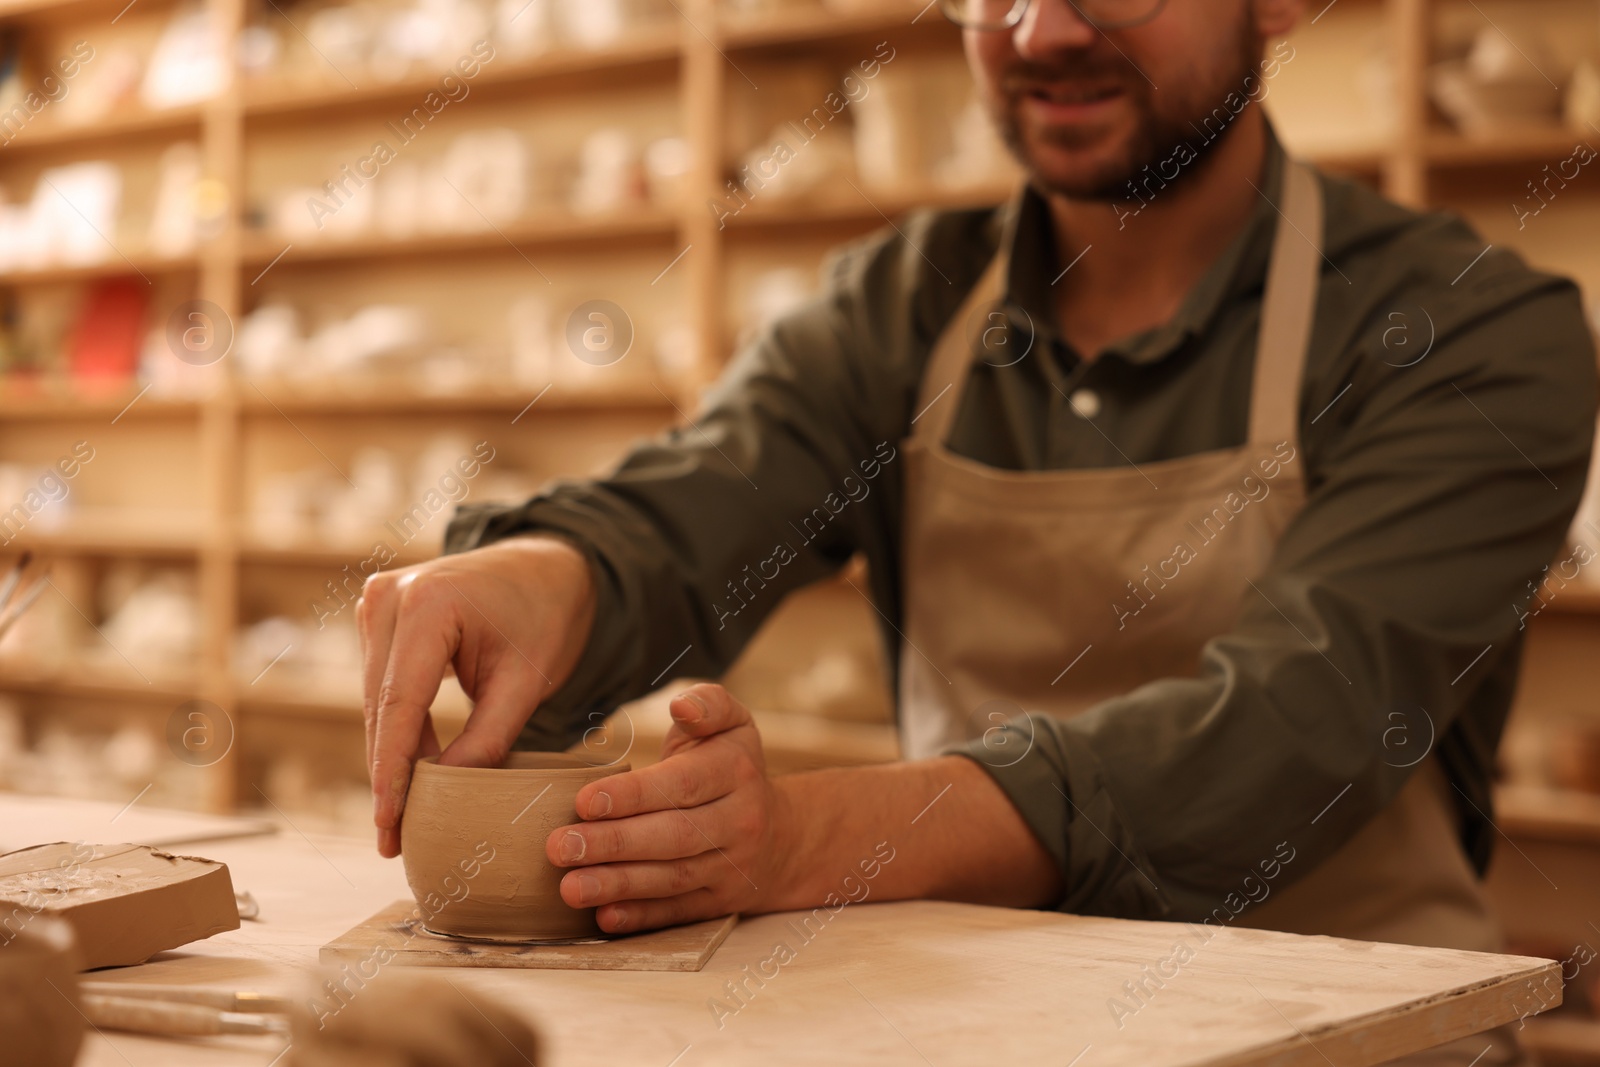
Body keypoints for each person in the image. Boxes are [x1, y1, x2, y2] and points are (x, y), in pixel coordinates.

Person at [360, 0, 1595, 1060]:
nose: (1039, 32)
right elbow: (701, 501)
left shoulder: (1474, 331)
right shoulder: (901, 308)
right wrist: (551, 572)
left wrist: (812, 840)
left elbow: (1303, 717)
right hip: (988, 1027)